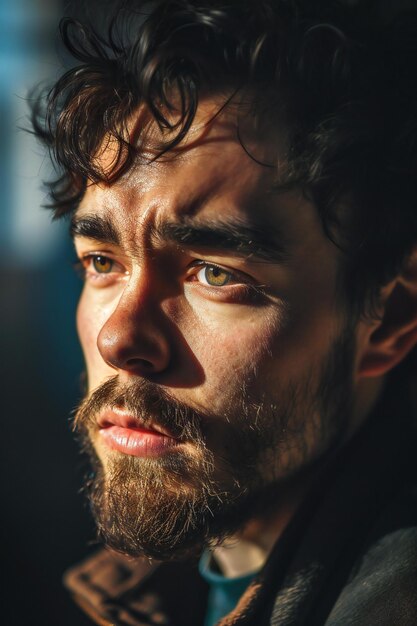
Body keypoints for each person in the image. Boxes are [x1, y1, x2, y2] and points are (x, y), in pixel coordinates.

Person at [32, 0, 417, 624]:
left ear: (390, 316)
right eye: (102, 262)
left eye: (215, 274)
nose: (118, 339)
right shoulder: (148, 581)